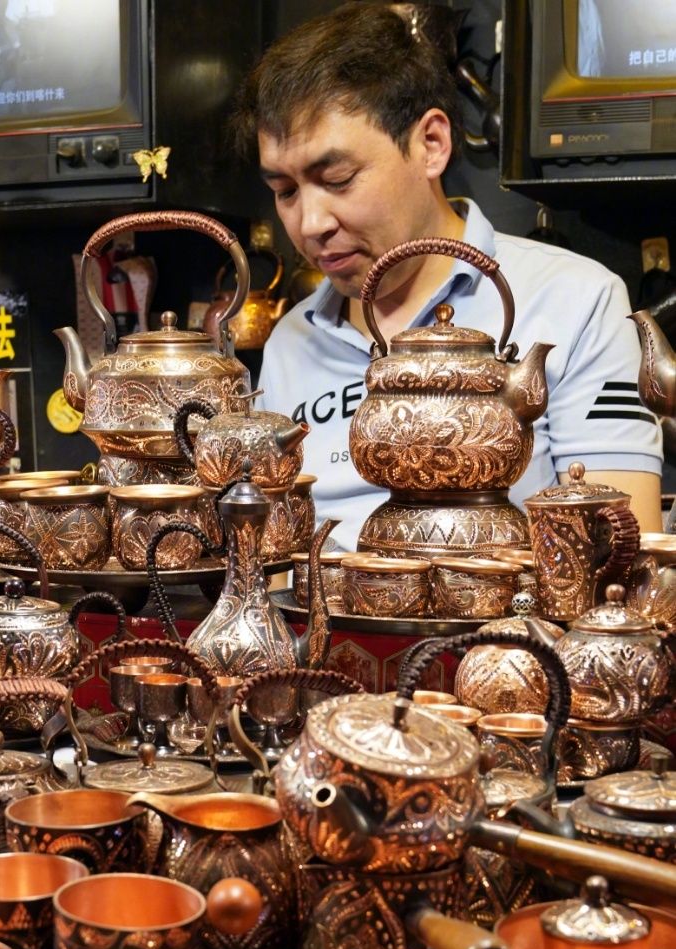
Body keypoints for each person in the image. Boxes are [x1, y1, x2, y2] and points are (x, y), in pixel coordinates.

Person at [232, 3, 664, 549]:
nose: (311, 223)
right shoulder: (291, 341)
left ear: (431, 144)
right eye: (286, 191)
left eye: (337, 178)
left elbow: (622, 551)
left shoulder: (577, 301)